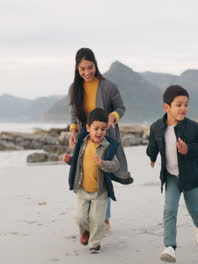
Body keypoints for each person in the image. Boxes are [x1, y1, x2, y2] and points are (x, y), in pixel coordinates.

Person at [67, 47, 133, 233]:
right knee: (84, 174)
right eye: (83, 69)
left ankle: (104, 219)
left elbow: (121, 107)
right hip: (84, 139)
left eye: (90, 67)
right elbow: (74, 113)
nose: (87, 72)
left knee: (103, 176)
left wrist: (112, 116)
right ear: (77, 69)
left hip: (105, 137)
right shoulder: (75, 88)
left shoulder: (108, 86)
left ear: (95, 65)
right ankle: (87, 219)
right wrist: (73, 130)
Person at [147, 85, 198, 263]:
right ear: (166, 107)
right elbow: (153, 143)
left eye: (186, 104)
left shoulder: (194, 128)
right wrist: (152, 157)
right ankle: (169, 247)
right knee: (170, 209)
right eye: (179, 104)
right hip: (171, 176)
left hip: (190, 176)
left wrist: (187, 149)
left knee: (193, 207)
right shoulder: (157, 127)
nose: (183, 108)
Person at [63, 108, 121, 254]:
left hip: (100, 191)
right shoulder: (83, 144)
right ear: (88, 128)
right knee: (79, 217)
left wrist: (102, 163)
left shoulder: (107, 146)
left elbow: (115, 165)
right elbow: (79, 163)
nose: (99, 132)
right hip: (82, 188)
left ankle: (95, 243)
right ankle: (85, 232)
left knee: (97, 220)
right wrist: (70, 161)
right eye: (96, 128)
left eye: (103, 129)